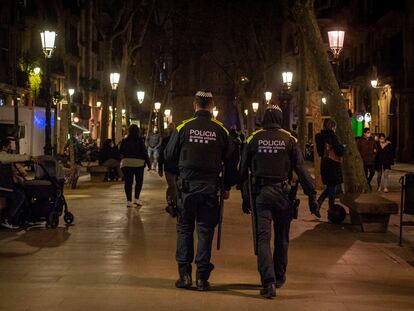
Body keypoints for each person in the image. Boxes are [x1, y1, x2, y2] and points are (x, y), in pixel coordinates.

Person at [239, 105, 320, 299]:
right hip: (284, 194)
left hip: (262, 194)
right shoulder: (290, 139)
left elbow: (242, 171)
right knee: (282, 237)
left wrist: (244, 196)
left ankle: (268, 281)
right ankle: (280, 276)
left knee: (263, 239)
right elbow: (301, 170)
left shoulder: (253, 139)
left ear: (265, 118)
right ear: (280, 118)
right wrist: (312, 194)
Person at [165, 90, 238, 291]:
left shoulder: (183, 128)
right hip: (209, 189)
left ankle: (185, 275)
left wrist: (174, 183)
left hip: (186, 189)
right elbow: (232, 160)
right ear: (212, 107)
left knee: (185, 229)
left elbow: (169, 157)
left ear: (194, 106)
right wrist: (227, 185)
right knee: (205, 231)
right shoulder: (220, 130)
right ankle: (201, 278)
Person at [315, 119, 345, 211]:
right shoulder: (332, 136)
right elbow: (339, 152)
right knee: (333, 186)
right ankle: (324, 205)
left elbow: (320, 152)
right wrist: (343, 147)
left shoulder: (319, 137)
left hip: (324, 163)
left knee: (331, 186)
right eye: (334, 127)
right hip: (333, 164)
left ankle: (326, 206)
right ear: (332, 126)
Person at [0, 139, 30, 229]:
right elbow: (14, 158)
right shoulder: (2, 156)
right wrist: (29, 157)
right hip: (3, 186)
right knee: (20, 196)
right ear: (3, 147)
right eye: (9, 146)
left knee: (18, 192)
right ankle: (7, 219)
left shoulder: (5, 157)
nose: (10, 148)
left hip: (5, 185)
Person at [119, 125, 151, 207]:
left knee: (128, 182)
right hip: (138, 163)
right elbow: (144, 152)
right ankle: (136, 199)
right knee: (139, 182)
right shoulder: (140, 140)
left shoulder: (124, 140)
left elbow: (120, 151)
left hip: (127, 163)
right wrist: (148, 163)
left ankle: (128, 201)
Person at [158, 122, 179, 217]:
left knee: (174, 186)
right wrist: (160, 168)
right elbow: (161, 154)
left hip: (175, 167)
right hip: (170, 167)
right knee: (173, 185)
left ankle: (171, 202)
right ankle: (172, 204)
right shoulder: (166, 140)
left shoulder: (177, 140)